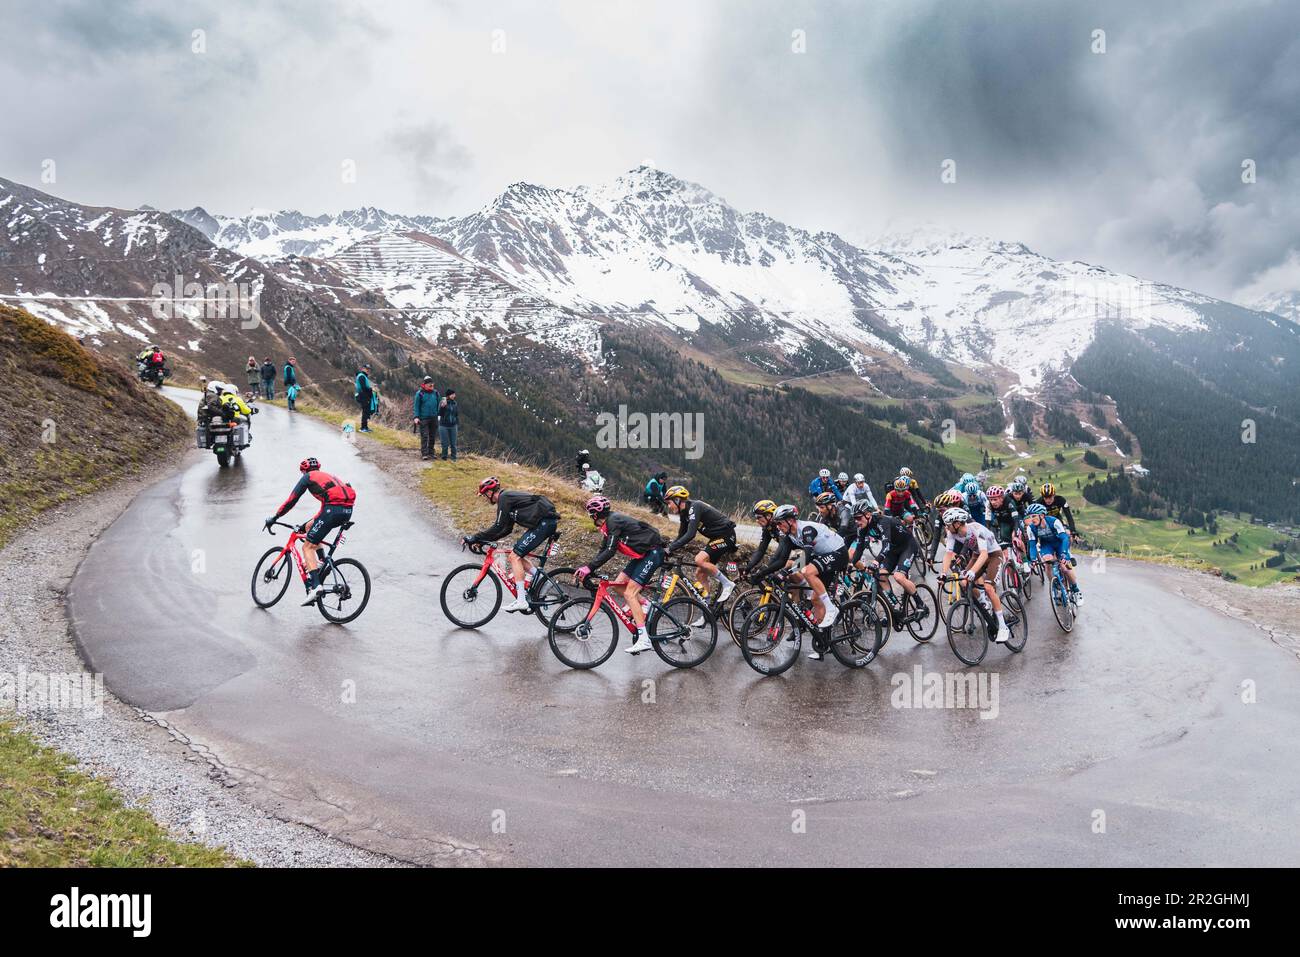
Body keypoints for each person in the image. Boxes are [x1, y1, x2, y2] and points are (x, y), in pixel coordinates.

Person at [747, 503, 848, 649]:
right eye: (776, 524)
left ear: (791, 521)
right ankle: (823, 643)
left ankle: (831, 608)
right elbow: (781, 560)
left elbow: (806, 557)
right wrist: (763, 573)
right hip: (822, 556)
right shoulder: (789, 536)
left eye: (780, 523)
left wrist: (785, 573)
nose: (779, 527)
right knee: (815, 599)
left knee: (807, 571)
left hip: (838, 552)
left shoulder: (806, 529)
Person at [576, 496, 667, 655]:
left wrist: (589, 568)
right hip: (643, 555)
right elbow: (603, 550)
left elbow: (611, 551)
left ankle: (644, 639)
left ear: (595, 515)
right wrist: (590, 568)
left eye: (591, 515)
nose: (591, 518)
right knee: (619, 585)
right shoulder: (608, 524)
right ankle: (646, 605)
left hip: (653, 553)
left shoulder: (613, 521)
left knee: (629, 593)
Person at [264, 458, 356, 605]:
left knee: (307, 546)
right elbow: (322, 512)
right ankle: (321, 560)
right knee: (309, 529)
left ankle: (316, 586)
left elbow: (291, 500)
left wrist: (275, 517)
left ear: (304, 471)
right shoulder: (329, 477)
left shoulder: (308, 477)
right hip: (347, 510)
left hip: (332, 510)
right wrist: (305, 525)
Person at [464, 476, 561, 613]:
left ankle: (521, 600)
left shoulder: (504, 498)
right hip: (542, 523)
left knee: (514, 557)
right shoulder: (506, 500)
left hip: (545, 523)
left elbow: (498, 526)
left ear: (490, 492)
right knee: (516, 555)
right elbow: (506, 529)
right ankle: (541, 580)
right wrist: (482, 541)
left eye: (485, 495)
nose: (485, 498)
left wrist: (475, 538)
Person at [939, 506, 1009, 640]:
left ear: (957, 523)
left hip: (993, 555)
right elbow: (948, 554)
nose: (946, 528)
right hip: (977, 556)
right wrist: (943, 573)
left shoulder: (977, 529)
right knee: (964, 583)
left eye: (948, 525)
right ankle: (984, 603)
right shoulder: (951, 533)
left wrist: (972, 571)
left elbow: (984, 554)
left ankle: (1002, 626)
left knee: (988, 587)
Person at [850, 502, 925, 620]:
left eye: (858, 518)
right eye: (854, 519)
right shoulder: (862, 528)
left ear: (868, 514)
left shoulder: (882, 522)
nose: (856, 521)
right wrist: (851, 564)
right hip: (893, 549)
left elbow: (886, 545)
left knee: (899, 577)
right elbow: (859, 549)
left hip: (907, 546)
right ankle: (893, 606)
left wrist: (876, 561)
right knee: (881, 575)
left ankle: (921, 604)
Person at [663, 485, 738, 602]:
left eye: (669, 502)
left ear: (677, 500)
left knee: (699, 560)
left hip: (727, 536)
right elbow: (681, 535)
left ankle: (728, 584)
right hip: (715, 539)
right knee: (699, 574)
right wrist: (668, 547)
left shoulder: (694, 506)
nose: (669, 506)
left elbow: (691, 534)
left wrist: (670, 549)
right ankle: (706, 609)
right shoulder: (684, 513)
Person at [1023, 502, 1083, 603]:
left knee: (1065, 567)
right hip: (1046, 545)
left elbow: (1064, 538)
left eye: (1034, 516)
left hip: (1059, 543)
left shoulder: (1054, 522)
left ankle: (1076, 590)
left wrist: (1064, 553)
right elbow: (1032, 545)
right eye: (1029, 517)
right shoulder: (1031, 528)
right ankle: (1055, 587)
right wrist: (1032, 559)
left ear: (1041, 515)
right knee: (1047, 564)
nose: (1031, 519)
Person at [412, 376, 441, 460]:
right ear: (425, 385)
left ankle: (431, 452)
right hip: (423, 418)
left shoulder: (436, 393)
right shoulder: (420, 393)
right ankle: (424, 453)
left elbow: (439, 404)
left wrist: (439, 414)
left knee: (432, 436)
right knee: (424, 436)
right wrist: (416, 417)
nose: (432, 386)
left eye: (432, 384)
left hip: (434, 417)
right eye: (430, 384)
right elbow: (416, 406)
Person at [438, 388, 459, 459]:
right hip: (443, 425)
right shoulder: (443, 402)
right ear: (448, 395)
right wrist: (442, 407)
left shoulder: (455, 403)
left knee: (453, 443)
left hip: (453, 425)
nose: (454, 395)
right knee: (445, 443)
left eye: (454, 394)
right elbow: (439, 413)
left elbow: (456, 414)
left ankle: (454, 458)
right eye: (452, 394)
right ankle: (444, 457)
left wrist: (456, 422)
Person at [355, 365, 374, 432]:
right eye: (366, 369)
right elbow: (363, 387)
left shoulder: (362, 376)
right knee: (365, 412)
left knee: (365, 411)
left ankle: (365, 427)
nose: (368, 370)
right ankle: (363, 428)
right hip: (363, 396)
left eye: (369, 369)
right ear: (363, 369)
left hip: (363, 396)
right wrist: (370, 389)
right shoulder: (362, 376)